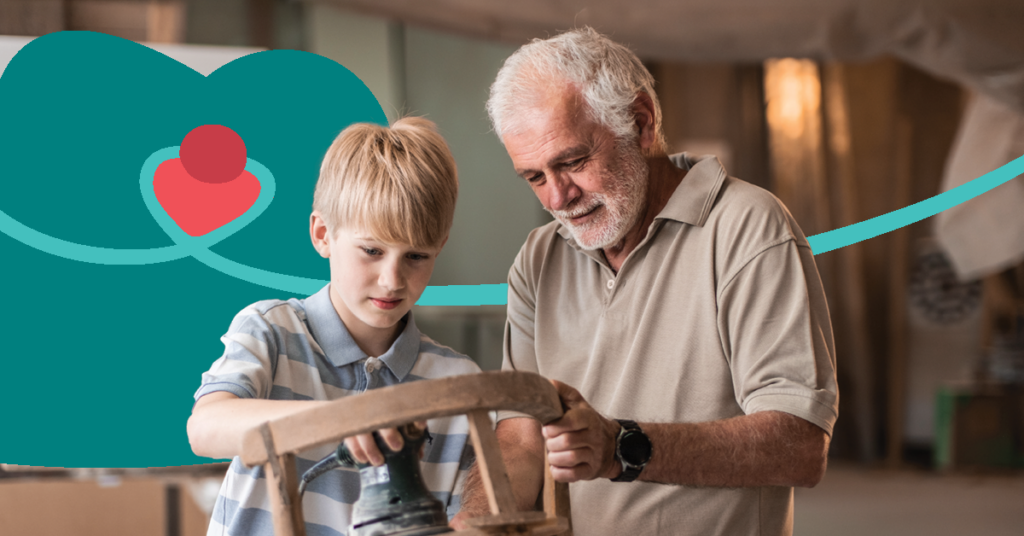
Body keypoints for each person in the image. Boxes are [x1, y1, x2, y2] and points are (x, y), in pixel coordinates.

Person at [452, 28, 839, 535]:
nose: (556, 198)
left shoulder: (748, 228)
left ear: (641, 122)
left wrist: (621, 447)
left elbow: (800, 445)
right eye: (534, 176)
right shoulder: (538, 259)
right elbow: (522, 439)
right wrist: (474, 523)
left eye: (571, 162)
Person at [187, 117, 481, 536]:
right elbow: (205, 429)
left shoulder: (457, 384)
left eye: (416, 256)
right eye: (372, 250)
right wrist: (344, 419)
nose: (392, 279)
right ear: (323, 233)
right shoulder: (271, 331)